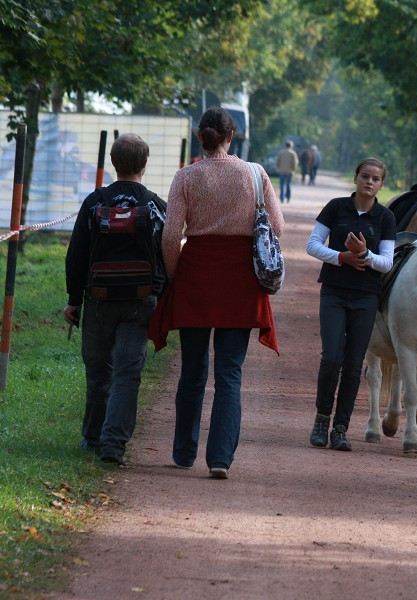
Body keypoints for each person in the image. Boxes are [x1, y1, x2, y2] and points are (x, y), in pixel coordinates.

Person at [148, 106, 284, 479]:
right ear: (232, 135)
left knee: (192, 369)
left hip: (196, 277)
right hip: (240, 281)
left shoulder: (186, 177)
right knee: (229, 373)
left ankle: (183, 452)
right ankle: (220, 458)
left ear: (200, 137)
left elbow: (171, 234)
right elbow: (277, 226)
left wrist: (176, 276)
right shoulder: (255, 174)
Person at [64, 133, 167, 466]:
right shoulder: (154, 205)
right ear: (145, 163)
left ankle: (92, 437)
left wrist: (73, 301)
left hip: (97, 301)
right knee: (127, 373)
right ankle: (113, 445)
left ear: (113, 162)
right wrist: (159, 292)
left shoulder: (95, 202)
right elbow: (166, 254)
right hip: (139, 302)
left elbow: (76, 255)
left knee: (98, 371)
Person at [306, 158, 397, 451]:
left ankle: (340, 428)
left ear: (381, 184)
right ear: (356, 178)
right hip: (333, 291)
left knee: (354, 364)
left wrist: (365, 254)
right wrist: (341, 257)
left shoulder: (385, 218)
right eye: (365, 176)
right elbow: (313, 244)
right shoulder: (336, 207)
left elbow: (387, 263)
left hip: (365, 297)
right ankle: (322, 419)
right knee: (332, 357)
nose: (369, 182)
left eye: (375, 179)